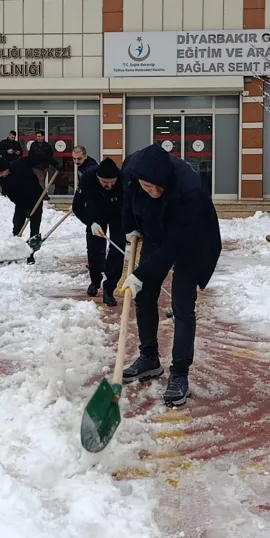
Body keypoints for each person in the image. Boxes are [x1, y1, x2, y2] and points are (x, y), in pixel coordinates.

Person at [119, 143, 221, 407]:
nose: (151, 192)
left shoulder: (190, 189)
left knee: (182, 306)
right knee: (144, 296)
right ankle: (149, 358)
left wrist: (140, 273)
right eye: (146, 186)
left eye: (157, 188)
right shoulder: (131, 171)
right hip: (155, 231)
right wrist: (130, 227)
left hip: (191, 239)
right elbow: (127, 200)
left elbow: (177, 243)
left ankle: (179, 374)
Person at [72, 157, 124, 307]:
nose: (109, 185)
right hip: (95, 215)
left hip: (117, 215)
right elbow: (77, 206)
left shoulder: (123, 179)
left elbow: (131, 205)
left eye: (112, 182)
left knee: (117, 250)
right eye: (105, 183)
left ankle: (110, 288)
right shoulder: (88, 178)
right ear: (98, 178)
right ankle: (95, 281)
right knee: (95, 250)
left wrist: (130, 226)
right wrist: (91, 223)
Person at [0, 155, 43, 265]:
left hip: (36, 199)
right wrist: (26, 209)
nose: (1, 175)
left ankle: (31, 255)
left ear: (6, 168)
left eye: (1, 172)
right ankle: (14, 252)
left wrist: (55, 163)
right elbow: (14, 198)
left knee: (34, 229)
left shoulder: (20, 164)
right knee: (17, 226)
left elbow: (37, 158)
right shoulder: (3, 181)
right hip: (21, 203)